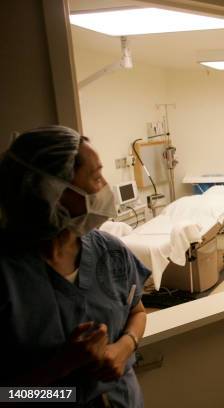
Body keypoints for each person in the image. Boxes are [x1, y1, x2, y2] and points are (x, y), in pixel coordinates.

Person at [0, 126, 151, 407]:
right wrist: (61, 367)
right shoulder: (7, 275)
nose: (105, 187)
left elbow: (137, 310)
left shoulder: (111, 251)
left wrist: (125, 346)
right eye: (95, 177)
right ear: (50, 191)